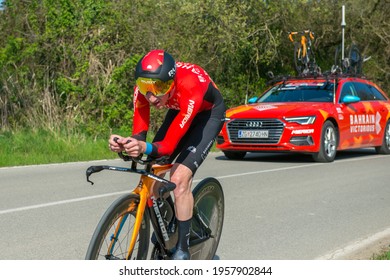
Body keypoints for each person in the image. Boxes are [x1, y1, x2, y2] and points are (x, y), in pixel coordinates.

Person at [108, 50, 225, 260]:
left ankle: (182, 249)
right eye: (146, 88)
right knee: (154, 171)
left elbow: (168, 146)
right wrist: (127, 144)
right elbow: (139, 134)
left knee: (179, 179)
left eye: (160, 88)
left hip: (207, 114)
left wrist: (145, 147)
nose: (152, 97)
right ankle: (168, 227)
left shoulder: (189, 86)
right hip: (180, 108)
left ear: (172, 81)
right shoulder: (144, 90)